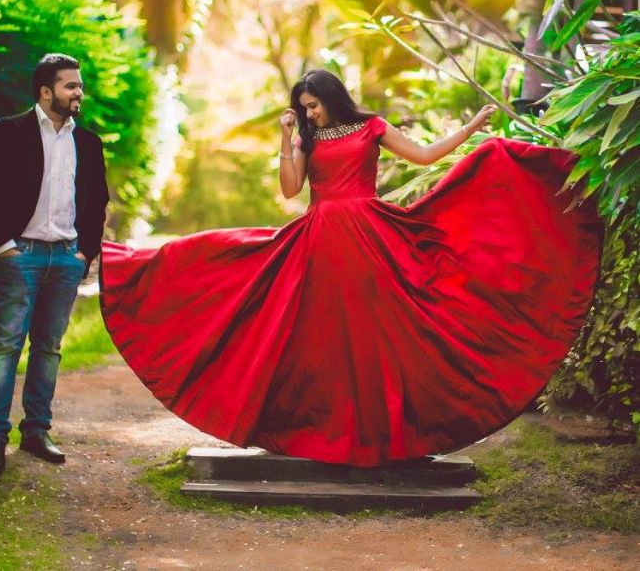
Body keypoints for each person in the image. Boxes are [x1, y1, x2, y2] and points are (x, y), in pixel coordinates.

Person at [99, 69, 602, 467]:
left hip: (370, 234)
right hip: (320, 239)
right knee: (312, 332)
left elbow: (425, 157)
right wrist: (287, 139)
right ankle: (321, 432)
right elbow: (291, 190)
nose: (307, 113)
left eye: (311, 105)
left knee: (377, 333)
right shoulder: (308, 138)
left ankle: (384, 437)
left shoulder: (372, 126)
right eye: (302, 108)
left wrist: (470, 130)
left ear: (330, 97)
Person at [0, 53, 109, 480]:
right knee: (7, 346)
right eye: (70, 86)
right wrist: (3, 246)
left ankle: (36, 431)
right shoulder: (8, 132)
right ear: (46, 91)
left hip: (65, 257)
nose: (79, 93)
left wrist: (85, 253)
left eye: (79, 86)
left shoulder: (86, 142)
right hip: (21, 255)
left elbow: (97, 200)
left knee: (48, 348)